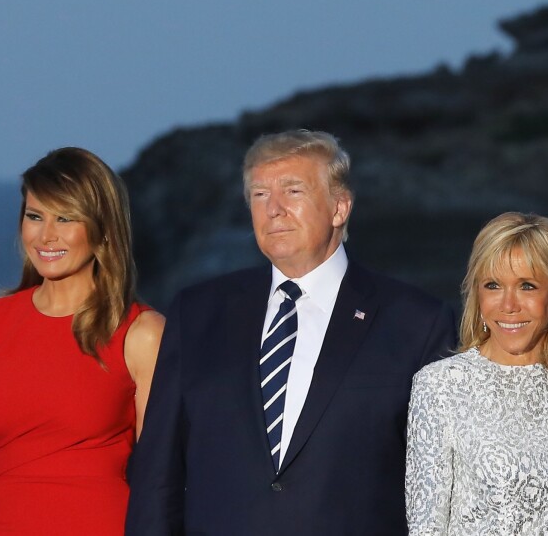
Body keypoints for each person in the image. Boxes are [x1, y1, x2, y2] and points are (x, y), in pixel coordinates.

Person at [126, 129, 457, 536]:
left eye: (293, 191)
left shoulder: (415, 322)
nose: (274, 209)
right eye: (260, 195)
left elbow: (441, 483)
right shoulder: (196, 315)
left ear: (340, 207)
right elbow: (157, 474)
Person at [0, 147, 164, 535]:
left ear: (102, 227)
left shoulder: (142, 333)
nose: (45, 235)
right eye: (35, 216)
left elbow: (163, 474)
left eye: (65, 218)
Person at [406, 212, 548, 535]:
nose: (508, 305)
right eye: (493, 285)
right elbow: (426, 526)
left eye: (527, 286)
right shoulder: (440, 386)